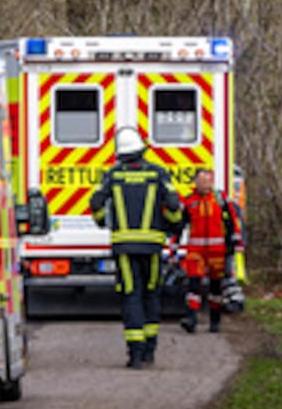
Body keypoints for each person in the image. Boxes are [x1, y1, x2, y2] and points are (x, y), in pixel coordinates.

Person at [90, 126, 183, 368]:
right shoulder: (158, 174)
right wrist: (172, 227)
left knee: (131, 296)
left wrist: (102, 221)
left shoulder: (112, 175)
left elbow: (96, 202)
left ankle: (135, 355)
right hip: (152, 246)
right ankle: (150, 350)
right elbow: (173, 205)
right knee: (151, 294)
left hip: (124, 247)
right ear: (142, 150)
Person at [177, 168, 244, 334]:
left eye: (208, 181)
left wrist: (237, 241)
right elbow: (179, 226)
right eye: (202, 181)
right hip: (195, 251)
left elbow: (233, 222)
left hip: (218, 251)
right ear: (195, 182)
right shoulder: (189, 201)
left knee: (215, 288)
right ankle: (191, 319)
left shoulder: (220, 200)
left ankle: (215, 321)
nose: (205, 185)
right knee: (193, 284)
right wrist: (174, 248)